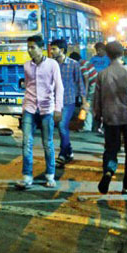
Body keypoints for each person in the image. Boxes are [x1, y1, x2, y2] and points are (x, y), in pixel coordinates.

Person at [93, 41, 127, 194]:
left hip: (110, 118)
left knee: (111, 149)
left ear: (107, 55)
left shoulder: (102, 75)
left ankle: (109, 171)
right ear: (122, 53)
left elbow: (97, 100)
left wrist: (98, 119)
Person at [16, 34, 63, 190]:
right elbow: (28, 85)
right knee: (26, 143)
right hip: (29, 108)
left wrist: (58, 108)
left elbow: (59, 87)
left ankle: (50, 175)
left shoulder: (52, 65)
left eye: (32, 47)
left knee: (47, 144)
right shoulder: (26, 65)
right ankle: (27, 176)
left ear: (41, 48)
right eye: (28, 47)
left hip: (46, 109)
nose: (29, 50)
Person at [49, 39, 85, 168]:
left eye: (54, 49)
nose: (51, 51)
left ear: (62, 50)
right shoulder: (50, 65)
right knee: (59, 126)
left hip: (68, 101)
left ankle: (62, 155)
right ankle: (69, 151)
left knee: (62, 126)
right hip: (54, 101)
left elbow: (80, 83)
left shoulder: (73, 64)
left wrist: (84, 102)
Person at [69, 52, 98, 132]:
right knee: (90, 105)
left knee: (87, 104)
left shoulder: (80, 65)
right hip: (95, 84)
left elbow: (86, 78)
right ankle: (89, 125)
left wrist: (84, 92)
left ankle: (87, 127)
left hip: (93, 85)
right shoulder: (85, 62)